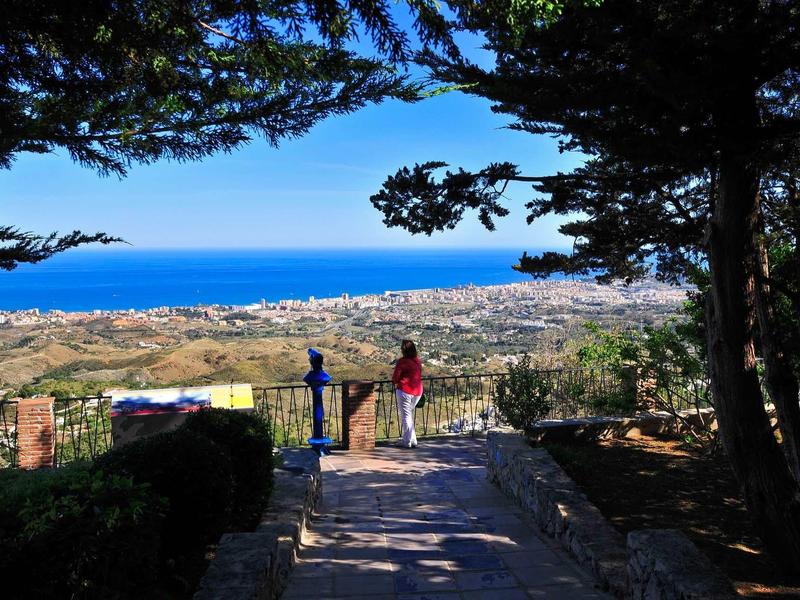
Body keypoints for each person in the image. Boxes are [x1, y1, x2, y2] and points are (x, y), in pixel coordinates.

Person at [392, 339, 423, 448]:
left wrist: (396, 381)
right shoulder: (417, 361)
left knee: (406, 416)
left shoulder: (402, 362)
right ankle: (413, 440)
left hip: (405, 391)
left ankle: (407, 441)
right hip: (418, 391)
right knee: (408, 415)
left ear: (403, 350)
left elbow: (395, 378)